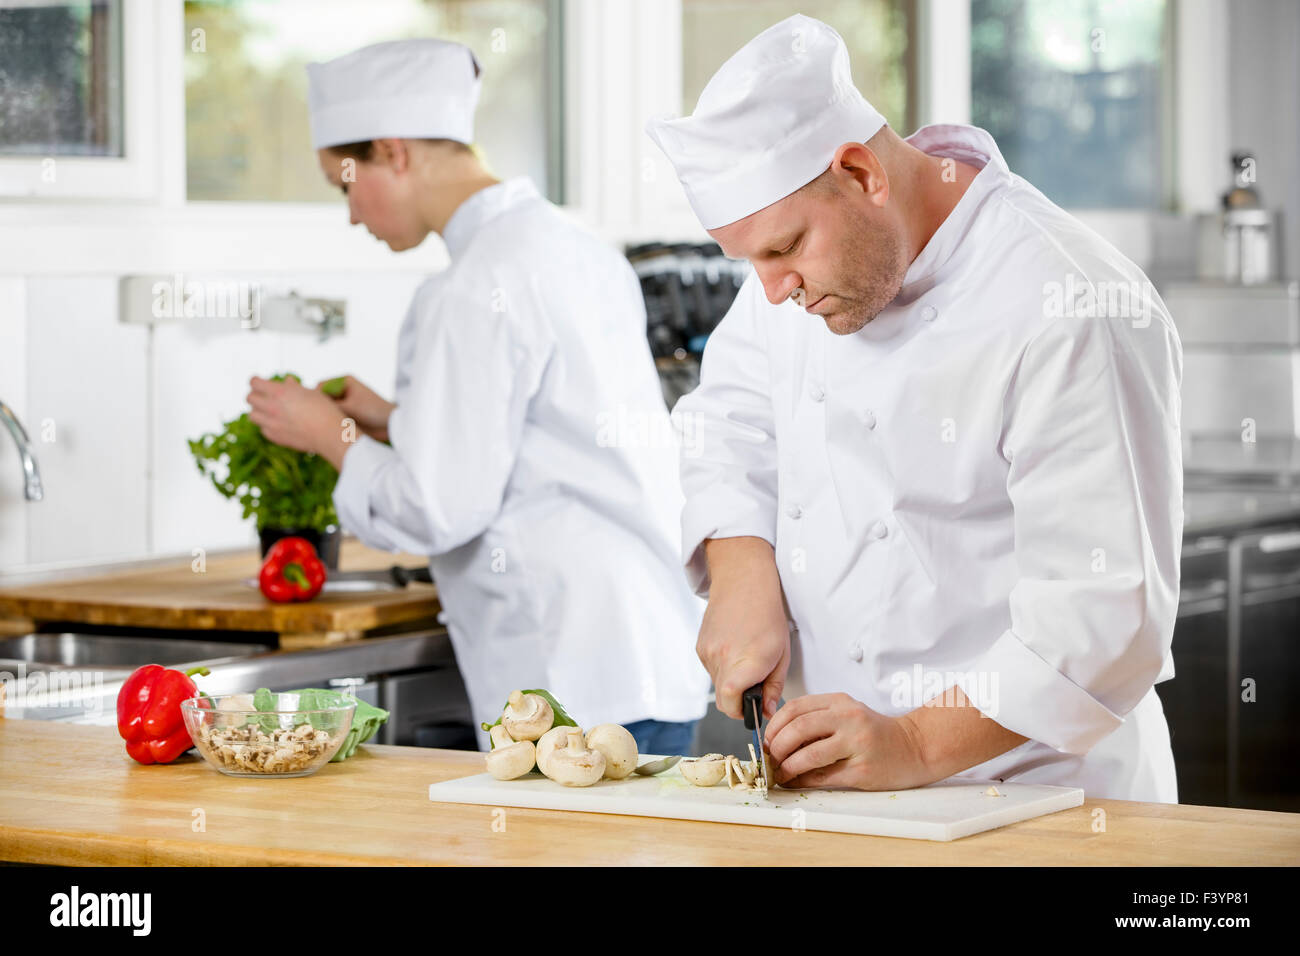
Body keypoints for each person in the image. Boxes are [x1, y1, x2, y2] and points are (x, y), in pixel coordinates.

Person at [646, 15, 1183, 801]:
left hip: (1041, 800)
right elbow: (731, 420)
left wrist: (917, 742)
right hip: (848, 799)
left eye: (783, 249)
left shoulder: (1070, 302)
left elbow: (1102, 613)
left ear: (861, 172)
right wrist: (741, 571)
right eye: (749, 260)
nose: (771, 289)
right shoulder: (801, 271)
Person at [248, 38, 710, 753]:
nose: (350, 214)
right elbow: (549, 436)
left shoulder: (468, 288)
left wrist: (326, 435)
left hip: (573, 682)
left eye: (345, 184)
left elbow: (439, 508)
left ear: (393, 152)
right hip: (645, 656)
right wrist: (400, 421)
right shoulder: (574, 248)